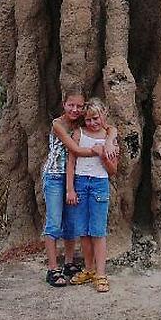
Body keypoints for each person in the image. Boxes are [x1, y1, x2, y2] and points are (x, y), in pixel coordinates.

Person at [43, 88, 114, 288]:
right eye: (70, 105)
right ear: (63, 104)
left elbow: (110, 128)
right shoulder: (59, 124)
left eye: (79, 106)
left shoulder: (82, 124)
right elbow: (74, 150)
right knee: (55, 222)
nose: (75, 109)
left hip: (76, 180)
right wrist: (98, 150)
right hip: (56, 176)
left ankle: (69, 263)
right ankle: (52, 268)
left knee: (72, 223)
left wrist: (109, 141)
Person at [65, 98, 119, 293]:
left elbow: (113, 170)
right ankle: (88, 269)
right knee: (83, 231)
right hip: (80, 183)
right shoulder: (78, 134)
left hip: (99, 184)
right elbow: (71, 162)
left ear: (103, 116)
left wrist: (103, 154)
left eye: (95, 118)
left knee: (98, 231)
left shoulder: (109, 139)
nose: (92, 123)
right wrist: (70, 189)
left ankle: (101, 273)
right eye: (88, 120)